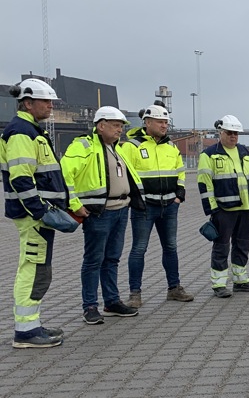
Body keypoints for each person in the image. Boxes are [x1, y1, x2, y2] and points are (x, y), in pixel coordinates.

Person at [1, 79, 70, 348]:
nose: (51, 106)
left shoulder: (30, 130)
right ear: (27, 103)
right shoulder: (21, 133)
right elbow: (21, 179)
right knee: (33, 269)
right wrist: (40, 211)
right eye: (46, 101)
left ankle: (31, 325)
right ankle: (26, 332)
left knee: (38, 269)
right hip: (33, 217)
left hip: (37, 216)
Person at [61, 106, 144, 325]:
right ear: (101, 126)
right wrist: (74, 204)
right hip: (99, 213)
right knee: (93, 260)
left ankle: (111, 302)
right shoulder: (84, 146)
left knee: (111, 259)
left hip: (120, 210)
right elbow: (65, 174)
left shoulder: (116, 148)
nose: (120, 130)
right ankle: (90, 306)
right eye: (116, 125)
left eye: (121, 126)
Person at [119, 102, 193, 307]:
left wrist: (179, 194)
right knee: (138, 249)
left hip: (169, 205)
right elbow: (126, 176)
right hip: (145, 207)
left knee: (171, 247)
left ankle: (174, 288)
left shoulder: (171, 147)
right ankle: (135, 293)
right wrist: (136, 200)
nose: (164, 126)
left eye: (166, 122)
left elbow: (180, 171)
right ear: (147, 122)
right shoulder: (132, 146)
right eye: (160, 122)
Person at [198, 115, 249, 297]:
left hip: (246, 208)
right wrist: (212, 209)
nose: (233, 136)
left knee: (243, 245)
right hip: (224, 210)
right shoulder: (209, 154)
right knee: (221, 246)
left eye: (236, 133)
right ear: (221, 133)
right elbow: (205, 183)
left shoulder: (244, 152)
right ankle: (219, 285)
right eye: (229, 133)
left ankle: (240, 280)